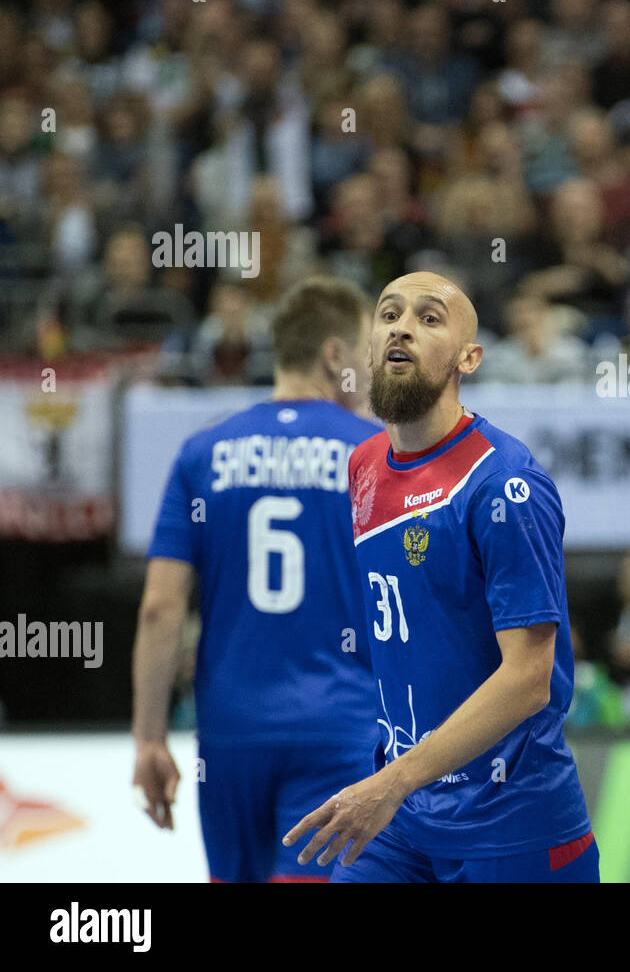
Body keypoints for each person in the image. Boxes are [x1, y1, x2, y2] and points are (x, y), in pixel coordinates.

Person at [284, 271, 598, 883]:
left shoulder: (504, 484)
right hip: (405, 814)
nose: (402, 326)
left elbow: (529, 679)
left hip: (510, 821)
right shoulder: (364, 465)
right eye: (389, 314)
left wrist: (389, 783)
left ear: (468, 358)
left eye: (429, 318)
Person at [131, 276, 381, 882]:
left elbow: (160, 611)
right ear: (333, 355)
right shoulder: (374, 453)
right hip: (339, 728)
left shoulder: (202, 453)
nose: (374, 372)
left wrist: (148, 739)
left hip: (230, 733)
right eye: (367, 353)